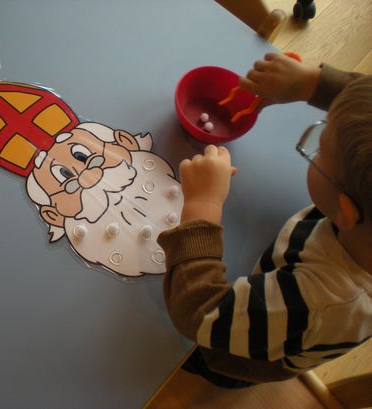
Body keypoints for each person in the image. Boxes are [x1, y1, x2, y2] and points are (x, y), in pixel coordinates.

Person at [157, 53, 372, 387]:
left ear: (346, 211)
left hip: (229, 352)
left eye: (319, 149)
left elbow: (201, 313)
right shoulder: (360, 224)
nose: (314, 146)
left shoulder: (324, 302)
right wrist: (312, 83)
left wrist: (203, 203)